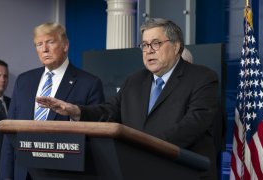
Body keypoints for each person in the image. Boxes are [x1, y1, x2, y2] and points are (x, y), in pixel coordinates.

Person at [36, 18, 220, 180]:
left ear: (176, 46)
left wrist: (144, 149)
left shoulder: (202, 77)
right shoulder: (134, 81)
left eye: (156, 43)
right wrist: (76, 110)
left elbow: (193, 124)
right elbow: (109, 111)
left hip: (182, 172)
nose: (148, 51)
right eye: (145, 45)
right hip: (137, 172)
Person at [0, 23, 105, 180]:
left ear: (65, 45)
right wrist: (5, 176)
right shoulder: (24, 81)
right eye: (39, 44)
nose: (44, 49)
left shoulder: (89, 83)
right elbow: (10, 133)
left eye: (50, 42)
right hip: (23, 173)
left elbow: (96, 140)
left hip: (62, 173)